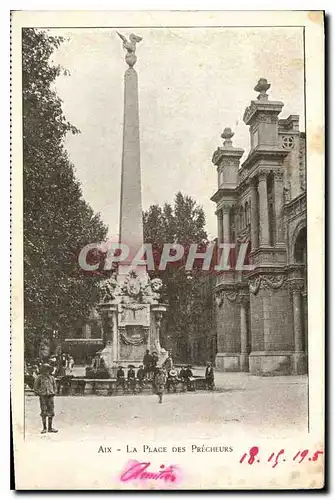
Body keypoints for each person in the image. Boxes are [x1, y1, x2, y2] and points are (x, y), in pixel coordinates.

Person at [33, 363, 58, 434]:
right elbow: (35, 387)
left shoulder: (52, 378)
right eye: (45, 370)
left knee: (51, 411)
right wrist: (39, 393)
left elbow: (54, 386)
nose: (47, 371)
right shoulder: (39, 377)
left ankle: (50, 428)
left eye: (48, 370)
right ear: (43, 370)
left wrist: (54, 392)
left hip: (50, 396)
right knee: (44, 411)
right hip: (43, 396)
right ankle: (44, 428)